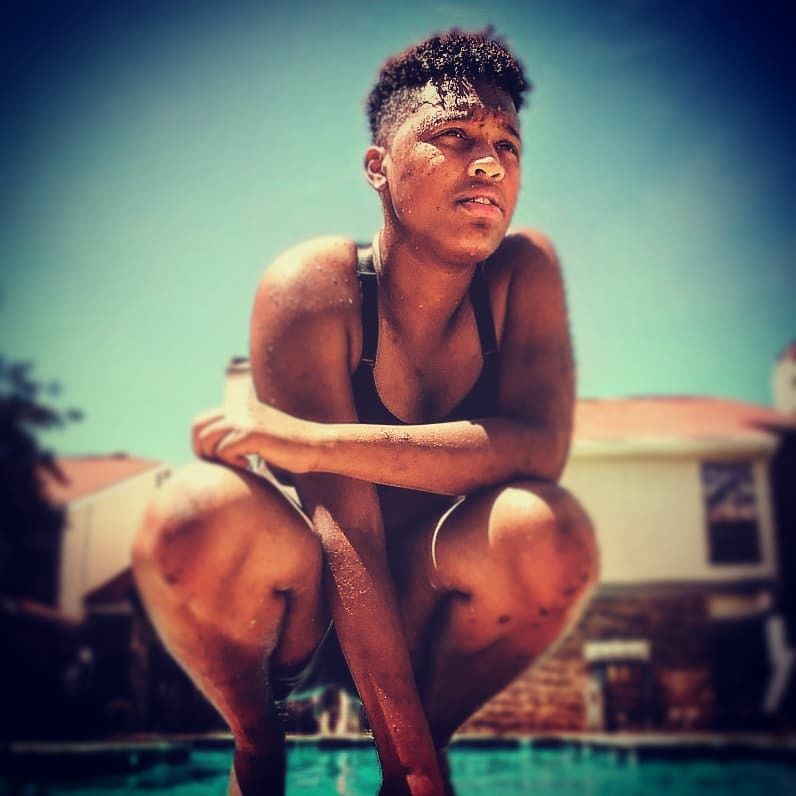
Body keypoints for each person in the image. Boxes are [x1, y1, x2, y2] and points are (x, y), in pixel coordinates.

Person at [132, 29, 599, 796]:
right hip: (313, 606)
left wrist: (316, 443)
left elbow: (537, 448)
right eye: (454, 136)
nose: (489, 162)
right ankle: (258, 743)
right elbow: (347, 529)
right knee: (192, 507)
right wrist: (411, 773)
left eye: (507, 145)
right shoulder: (314, 287)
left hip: (429, 608)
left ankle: (421, 748)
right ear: (378, 167)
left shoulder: (523, 272)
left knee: (546, 530)